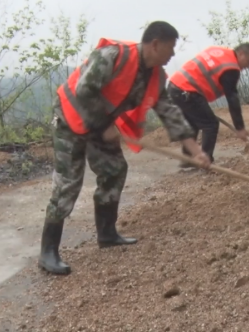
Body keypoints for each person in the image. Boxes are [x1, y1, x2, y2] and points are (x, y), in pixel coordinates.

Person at [38, 21, 212, 276]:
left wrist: (194, 150)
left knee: (114, 169)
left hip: (100, 124)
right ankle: (48, 252)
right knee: (68, 183)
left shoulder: (155, 76)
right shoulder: (112, 56)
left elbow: (169, 112)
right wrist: (104, 125)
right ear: (155, 44)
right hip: (70, 117)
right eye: (171, 47)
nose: (173, 54)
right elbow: (84, 90)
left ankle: (107, 234)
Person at [167, 43, 249, 165]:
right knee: (210, 124)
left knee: (194, 122)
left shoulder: (219, 51)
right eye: (248, 61)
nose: (248, 66)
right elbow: (232, 98)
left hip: (175, 87)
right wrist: (239, 127)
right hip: (188, 91)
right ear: (241, 54)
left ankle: (188, 159)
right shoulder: (231, 68)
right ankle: (205, 160)